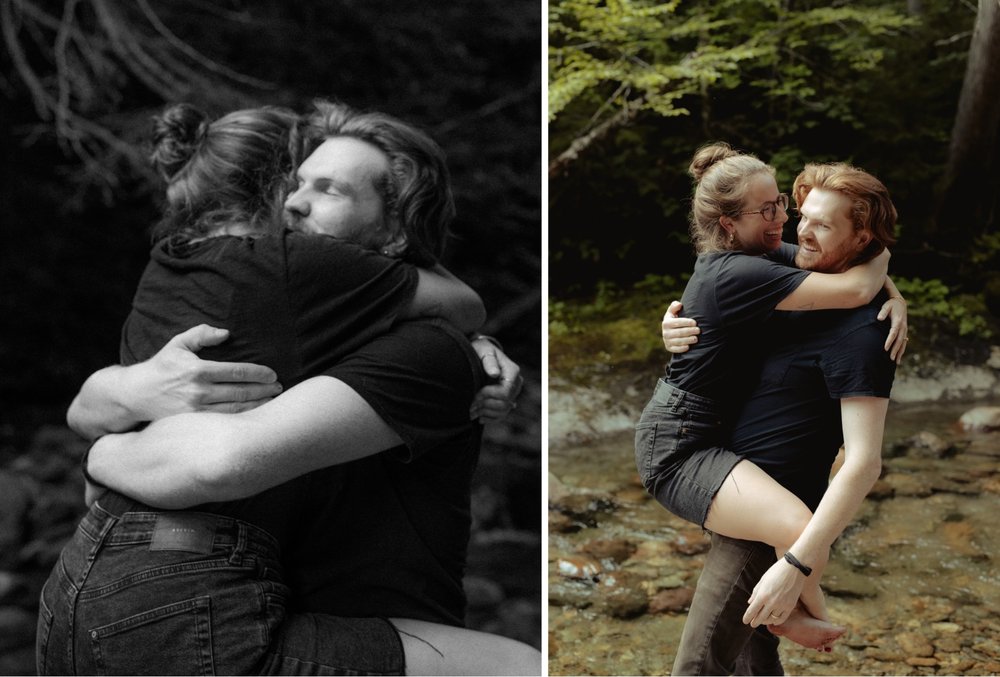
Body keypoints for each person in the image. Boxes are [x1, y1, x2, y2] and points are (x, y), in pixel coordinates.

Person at [39, 101, 539, 675]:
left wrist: (102, 455)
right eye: (295, 182)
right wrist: (127, 392)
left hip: (96, 594)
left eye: (328, 190)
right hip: (193, 603)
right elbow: (126, 423)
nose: (293, 203)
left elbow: (214, 457)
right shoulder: (288, 306)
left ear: (396, 230)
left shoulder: (404, 341)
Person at [633, 143, 906, 647]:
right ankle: (795, 617)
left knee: (793, 538)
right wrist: (883, 262)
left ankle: (794, 615)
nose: (785, 219)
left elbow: (847, 272)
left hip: (713, 432)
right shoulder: (737, 271)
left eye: (782, 202)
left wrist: (894, 291)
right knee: (799, 526)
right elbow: (852, 290)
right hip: (680, 443)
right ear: (729, 224)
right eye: (767, 210)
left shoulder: (763, 254)